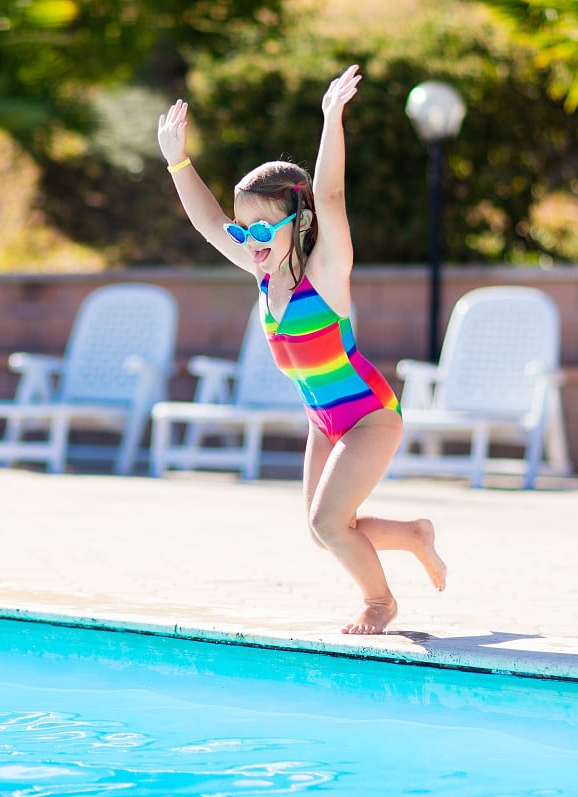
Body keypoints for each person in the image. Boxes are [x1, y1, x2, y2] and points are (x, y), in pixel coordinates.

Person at [157, 65, 446, 634]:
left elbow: (332, 194)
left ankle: (380, 603)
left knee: (330, 522)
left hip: (368, 416)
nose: (249, 241)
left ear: (299, 219)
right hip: (323, 420)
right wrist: (176, 160)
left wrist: (332, 118)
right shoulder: (262, 271)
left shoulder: (326, 274)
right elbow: (209, 222)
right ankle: (414, 534)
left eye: (263, 230)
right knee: (324, 529)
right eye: (245, 231)